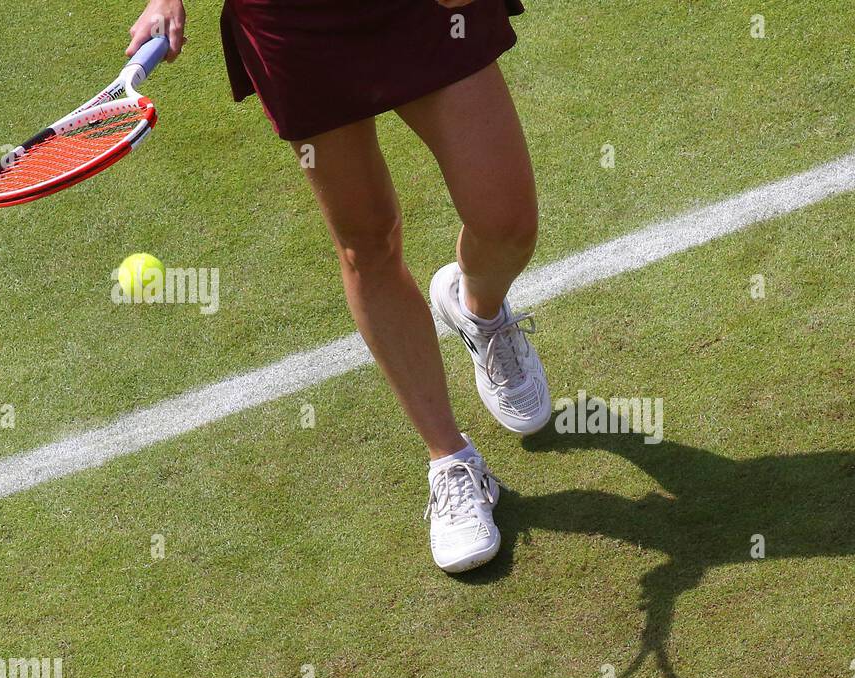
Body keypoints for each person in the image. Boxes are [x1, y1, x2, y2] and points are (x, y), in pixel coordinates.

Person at [127, 0, 549, 573]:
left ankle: (479, 309)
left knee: (507, 224)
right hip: (297, 23)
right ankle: (449, 458)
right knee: (365, 242)